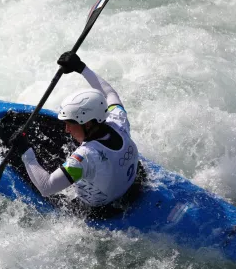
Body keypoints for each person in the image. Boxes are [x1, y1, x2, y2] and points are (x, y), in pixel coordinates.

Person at [10, 51, 140, 209]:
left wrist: (26, 152)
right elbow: (109, 93)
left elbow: (46, 188)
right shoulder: (118, 120)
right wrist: (81, 68)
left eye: (71, 124)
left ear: (88, 124)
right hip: (129, 187)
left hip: (98, 210)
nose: (66, 129)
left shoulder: (86, 157)